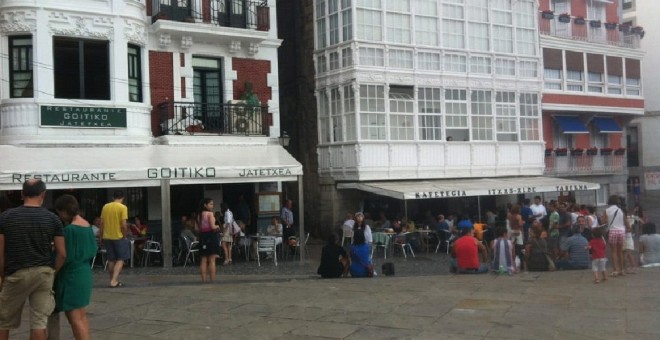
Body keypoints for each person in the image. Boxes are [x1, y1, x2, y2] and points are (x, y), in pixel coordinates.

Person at [0, 179, 66, 340]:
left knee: (3, 321)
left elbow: (0, 253)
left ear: (22, 194)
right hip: (43, 273)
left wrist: (3, 276)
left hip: (16, 272)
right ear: (43, 194)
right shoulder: (53, 219)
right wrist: (52, 271)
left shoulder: (6, 217)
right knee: (39, 323)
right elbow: (62, 254)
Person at [51, 194, 97, 340]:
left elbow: (63, 255)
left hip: (71, 275)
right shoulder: (87, 225)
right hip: (84, 272)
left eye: (60, 213)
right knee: (82, 316)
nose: (60, 216)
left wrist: (53, 273)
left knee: (74, 318)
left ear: (64, 211)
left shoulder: (70, 230)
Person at [100, 190, 130, 288]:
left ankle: (113, 280)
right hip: (118, 236)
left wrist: (101, 236)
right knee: (121, 259)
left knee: (111, 260)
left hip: (107, 236)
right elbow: (124, 224)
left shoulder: (105, 207)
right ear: (123, 198)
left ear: (113, 197)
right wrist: (124, 235)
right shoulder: (123, 207)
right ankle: (113, 281)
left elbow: (102, 223)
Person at [196, 198, 220, 283]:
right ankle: (212, 280)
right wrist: (217, 226)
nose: (212, 206)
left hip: (202, 237)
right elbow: (213, 227)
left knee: (203, 259)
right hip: (211, 236)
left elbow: (197, 229)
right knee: (212, 260)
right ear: (205, 205)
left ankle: (203, 280)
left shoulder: (198, 215)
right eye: (210, 204)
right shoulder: (210, 214)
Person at [604, 195, 626, 277]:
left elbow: (603, 221)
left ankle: (615, 270)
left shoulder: (607, 210)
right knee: (620, 252)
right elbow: (624, 221)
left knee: (613, 252)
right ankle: (622, 270)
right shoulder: (621, 210)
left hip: (613, 231)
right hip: (621, 231)